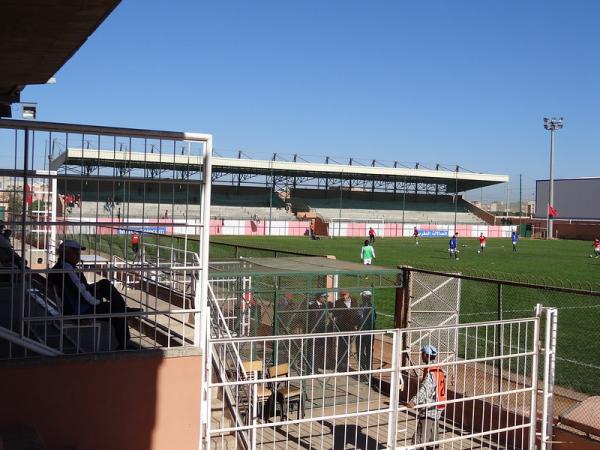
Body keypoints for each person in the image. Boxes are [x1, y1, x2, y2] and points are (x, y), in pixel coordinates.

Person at [48, 240, 139, 350]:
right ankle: (124, 326)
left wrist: (93, 289)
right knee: (116, 309)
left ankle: (123, 311)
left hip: (77, 304)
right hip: (80, 309)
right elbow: (80, 293)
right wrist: (98, 303)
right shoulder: (66, 270)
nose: (78, 256)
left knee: (104, 285)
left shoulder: (61, 268)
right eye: (76, 252)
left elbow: (79, 288)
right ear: (66, 253)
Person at [407, 345, 447, 449]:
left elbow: (424, 390)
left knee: (419, 439)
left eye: (422, 354)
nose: (421, 356)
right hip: (438, 407)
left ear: (425, 355)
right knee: (432, 439)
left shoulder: (431, 372)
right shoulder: (439, 369)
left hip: (429, 408)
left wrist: (413, 401)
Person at [333, 290, 359, 371]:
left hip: (352, 327)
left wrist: (356, 324)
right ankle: (342, 363)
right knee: (342, 346)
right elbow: (335, 314)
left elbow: (356, 312)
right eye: (342, 295)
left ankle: (346, 361)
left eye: (345, 295)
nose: (343, 296)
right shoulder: (338, 302)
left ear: (348, 294)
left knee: (349, 345)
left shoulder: (354, 301)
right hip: (342, 328)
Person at [307, 292, 330, 373]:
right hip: (313, 331)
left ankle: (315, 369)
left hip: (321, 331)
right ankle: (310, 369)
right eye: (324, 297)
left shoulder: (324, 306)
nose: (325, 299)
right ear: (319, 297)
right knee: (312, 351)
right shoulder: (311, 306)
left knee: (318, 350)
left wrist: (326, 321)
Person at [357, 290, 376, 374]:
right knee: (365, 350)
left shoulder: (367, 307)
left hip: (365, 332)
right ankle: (365, 367)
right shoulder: (371, 307)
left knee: (364, 350)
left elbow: (360, 318)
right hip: (368, 332)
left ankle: (366, 367)